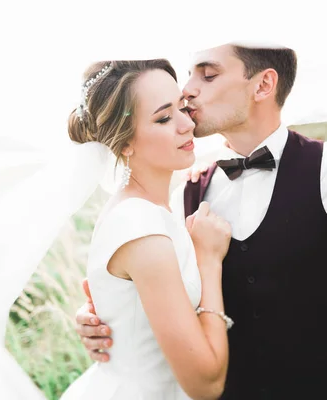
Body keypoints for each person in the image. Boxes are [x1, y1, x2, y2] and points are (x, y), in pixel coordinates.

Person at [75, 43, 327, 399]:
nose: (188, 90)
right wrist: (109, 322)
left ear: (263, 85)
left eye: (207, 75)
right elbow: (152, 293)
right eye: (189, 74)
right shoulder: (183, 194)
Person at [61, 59, 233, 400]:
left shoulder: (156, 207)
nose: (187, 124)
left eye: (183, 108)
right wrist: (210, 261)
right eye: (164, 117)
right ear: (125, 143)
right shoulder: (140, 227)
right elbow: (206, 385)